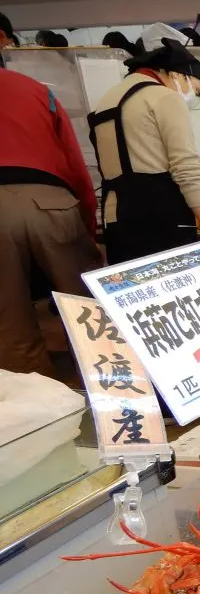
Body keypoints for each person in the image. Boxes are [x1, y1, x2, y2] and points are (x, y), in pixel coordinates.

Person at [0, 67, 103, 377]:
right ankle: (112, 391)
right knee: (86, 308)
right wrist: (87, 221)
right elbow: (73, 160)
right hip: (51, 199)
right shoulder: (35, 88)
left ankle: (43, 412)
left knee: (9, 322)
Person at [88, 38, 200, 265]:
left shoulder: (106, 100)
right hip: (162, 218)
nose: (193, 97)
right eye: (196, 90)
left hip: (117, 219)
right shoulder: (164, 97)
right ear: (178, 75)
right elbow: (186, 167)